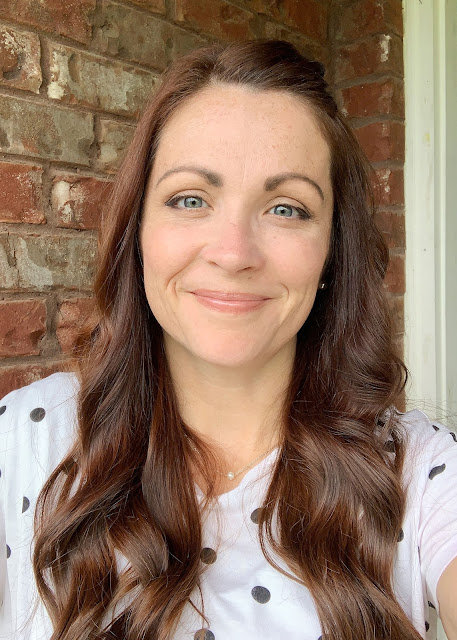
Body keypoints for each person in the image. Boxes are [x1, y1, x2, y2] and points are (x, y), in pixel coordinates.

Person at [0, 39, 456, 640]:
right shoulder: (24, 440)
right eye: (191, 199)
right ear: (138, 232)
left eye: (287, 209)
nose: (234, 253)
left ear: (330, 254)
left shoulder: (420, 472)